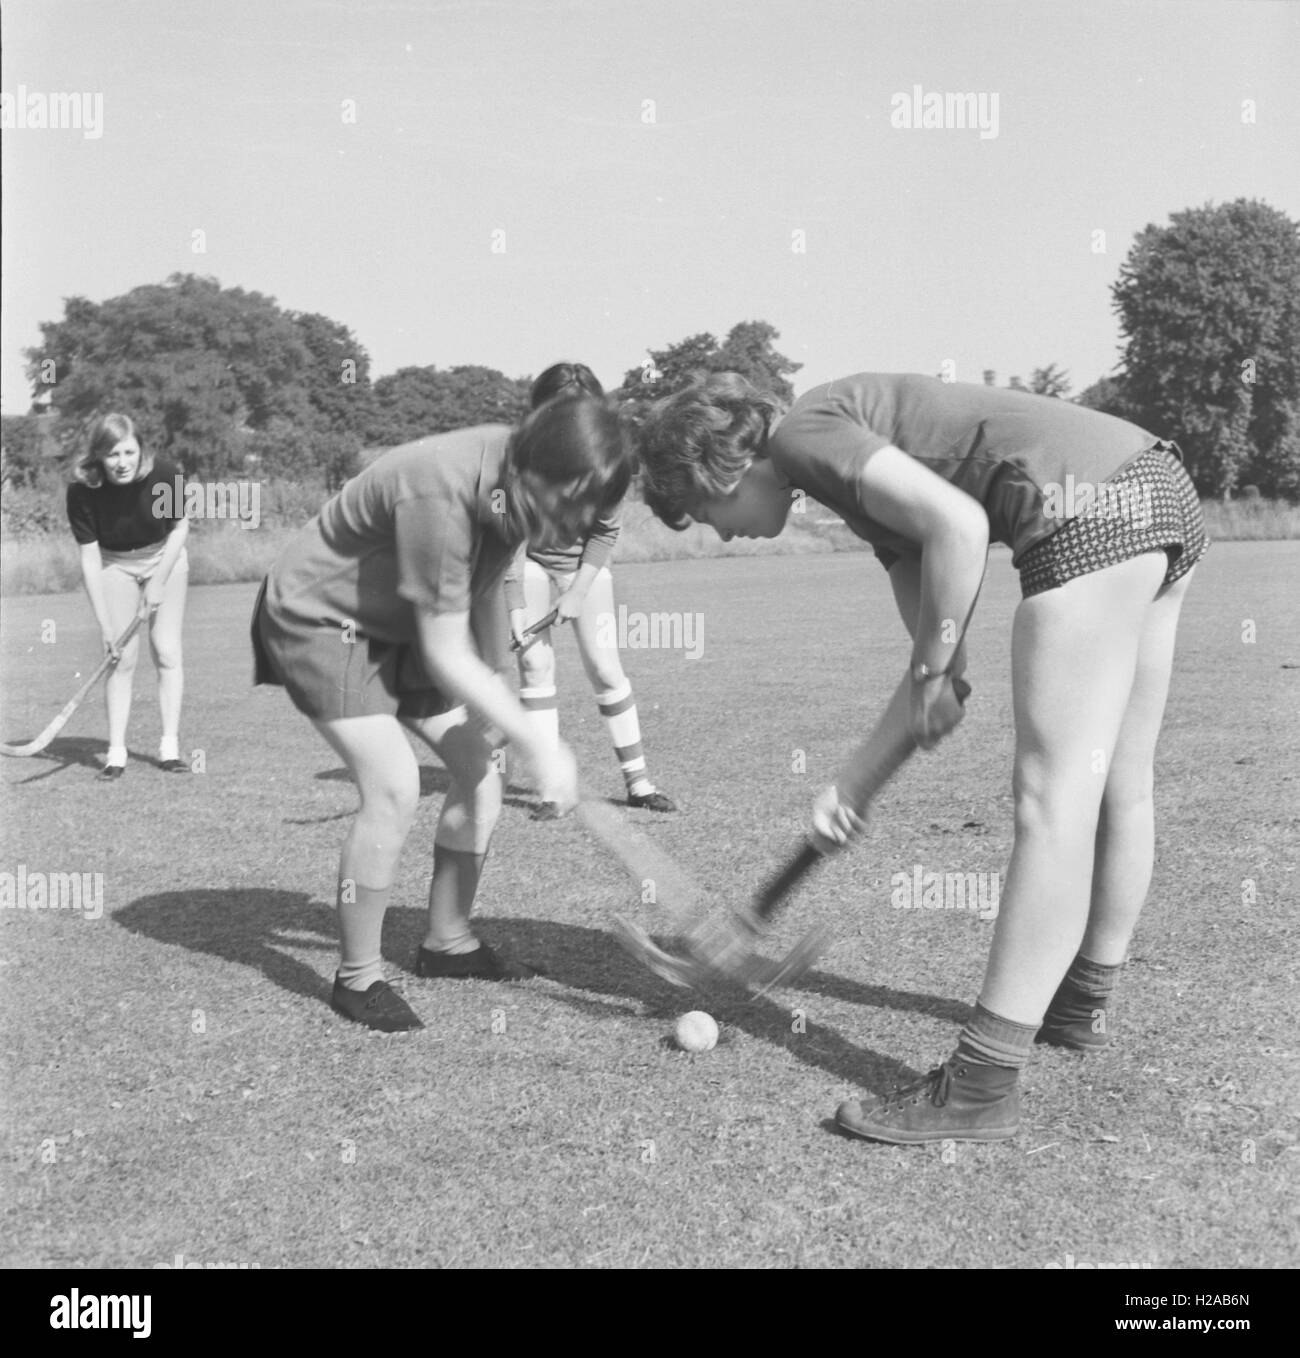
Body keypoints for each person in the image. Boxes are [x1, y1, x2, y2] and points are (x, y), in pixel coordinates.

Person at [638, 371, 1208, 1144]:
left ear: (721, 467)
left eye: (700, 507)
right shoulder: (865, 487)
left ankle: (980, 1086)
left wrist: (932, 676)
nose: (713, 528)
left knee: (1052, 800)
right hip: (1154, 486)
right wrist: (856, 781)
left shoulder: (804, 436)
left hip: (1088, 511)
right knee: (1119, 784)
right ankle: (1079, 1006)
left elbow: (963, 530)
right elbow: (939, 671)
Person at [252, 395, 633, 1032]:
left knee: (481, 768)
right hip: (322, 617)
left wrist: (504, 704)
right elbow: (447, 652)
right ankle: (357, 977)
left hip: (402, 621)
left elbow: (481, 593)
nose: (570, 530)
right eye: (566, 509)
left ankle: (448, 942)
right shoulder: (442, 490)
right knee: (394, 785)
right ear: (529, 473)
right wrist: (540, 742)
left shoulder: (519, 487)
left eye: (583, 515)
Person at [503, 362, 676, 819]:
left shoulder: (607, 454)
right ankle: (552, 789)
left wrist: (577, 591)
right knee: (534, 665)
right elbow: (512, 538)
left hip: (586, 569)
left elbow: (603, 532)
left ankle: (639, 783)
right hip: (531, 563)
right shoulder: (519, 458)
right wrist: (516, 605)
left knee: (604, 667)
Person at [66, 413, 191, 780]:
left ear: (141, 450)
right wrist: (106, 627)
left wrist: (158, 581)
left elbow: (180, 529)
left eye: (128, 452)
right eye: (111, 454)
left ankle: (169, 749)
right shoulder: (82, 491)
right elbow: (90, 558)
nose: (121, 462)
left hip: (164, 556)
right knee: (121, 659)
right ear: (98, 457)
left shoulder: (166, 474)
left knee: (167, 651)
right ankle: (115, 754)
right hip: (114, 564)